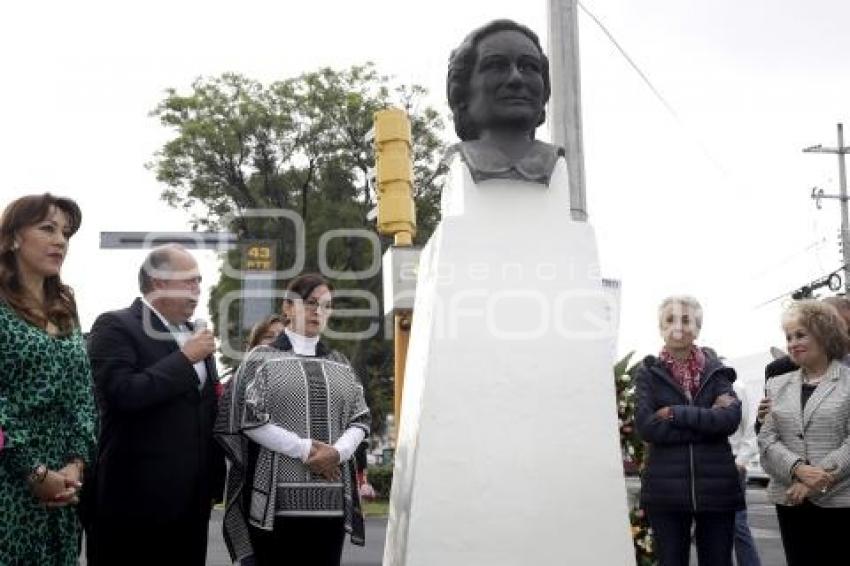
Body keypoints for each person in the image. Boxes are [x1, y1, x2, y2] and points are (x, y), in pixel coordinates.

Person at [216, 273, 371, 566]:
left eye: (326, 305)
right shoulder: (261, 358)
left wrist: (338, 453)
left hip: (331, 504)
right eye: (310, 303)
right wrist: (305, 450)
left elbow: (360, 418)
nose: (318, 311)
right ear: (288, 308)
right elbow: (248, 418)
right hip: (274, 507)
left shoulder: (340, 363)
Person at [85, 244, 225, 566]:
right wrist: (184, 359)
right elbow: (123, 394)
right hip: (133, 505)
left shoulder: (196, 334)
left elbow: (206, 410)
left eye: (199, 282)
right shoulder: (115, 325)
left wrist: (213, 479)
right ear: (159, 281)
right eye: (190, 281)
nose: (198, 290)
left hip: (192, 503)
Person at [0, 193, 97, 565]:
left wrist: (75, 463)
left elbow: (82, 395)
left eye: (66, 233)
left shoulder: (66, 308)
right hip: (10, 482)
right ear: (12, 238)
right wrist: (33, 470)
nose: (60, 241)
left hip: (62, 489)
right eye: (47, 228)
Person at [635, 295, 743, 566]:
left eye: (687, 319)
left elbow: (729, 420)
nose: (679, 326)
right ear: (660, 327)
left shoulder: (718, 372)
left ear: (698, 327)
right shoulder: (647, 372)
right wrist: (708, 422)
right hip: (665, 491)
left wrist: (674, 413)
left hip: (717, 488)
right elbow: (647, 427)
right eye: (670, 319)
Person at [757, 299, 850, 566]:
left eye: (800, 334)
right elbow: (766, 439)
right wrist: (797, 469)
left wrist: (813, 480)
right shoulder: (776, 385)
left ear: (823, 334)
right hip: (790, 501)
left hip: (839, 500)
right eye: (788, 337)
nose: (792, 343)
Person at [446, 19, 564, 185]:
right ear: (462, 90)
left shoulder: (557, 165)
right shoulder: (459, 164)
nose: (516, 78)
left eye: (529, 67)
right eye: (496, 65)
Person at [728, 378, 762, 565]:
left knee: (737, 525)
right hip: (706, 464)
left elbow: (750, 426)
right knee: (711, 529)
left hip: (732, 463)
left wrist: (741, 461)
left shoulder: (736, 387)